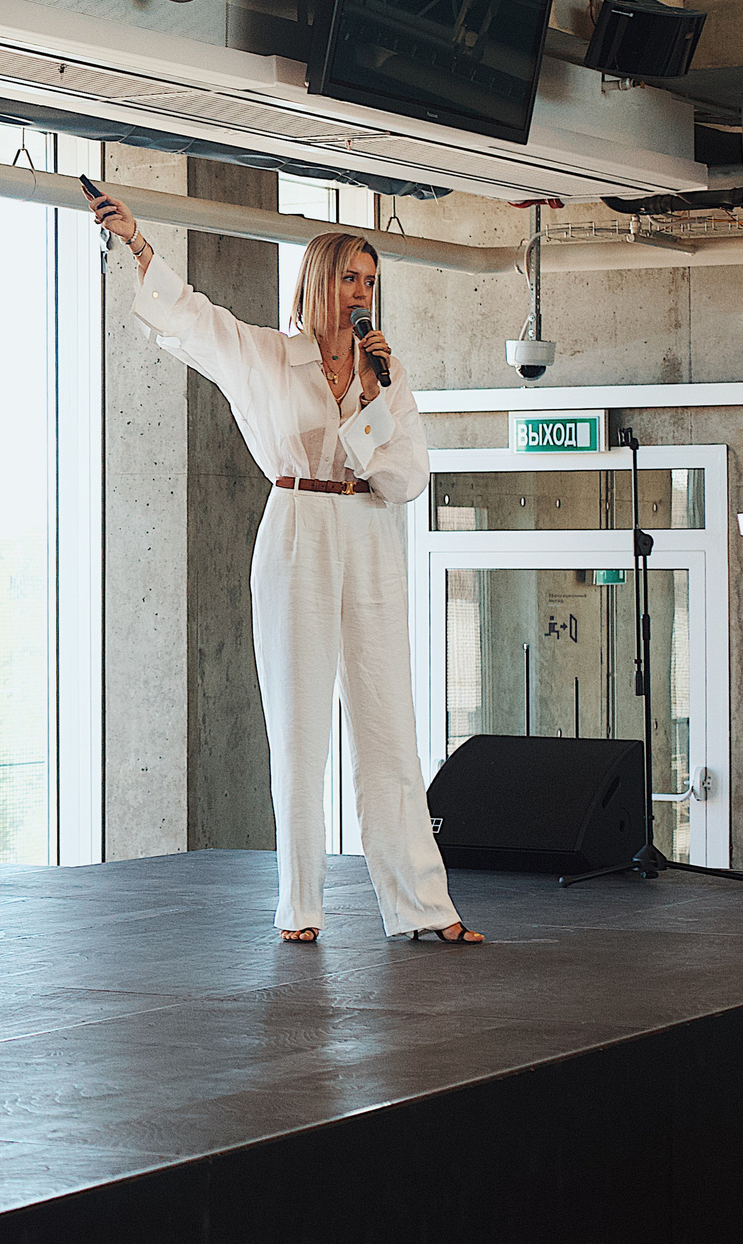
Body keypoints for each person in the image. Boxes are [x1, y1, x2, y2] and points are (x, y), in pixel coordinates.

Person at [89, 190, 483, 947]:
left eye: (371, 282)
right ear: (319, 281)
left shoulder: (387, 376)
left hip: (368, 531)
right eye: (350, 279)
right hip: (297, 524)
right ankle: (300, 906)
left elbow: (406, 478)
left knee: (389, 728)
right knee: (299, 729)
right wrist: (137, 242)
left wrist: (373, 397)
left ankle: (424, 907)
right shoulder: (271, 355)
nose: (362, 294)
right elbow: (196, 320)